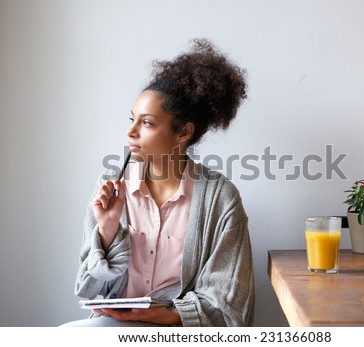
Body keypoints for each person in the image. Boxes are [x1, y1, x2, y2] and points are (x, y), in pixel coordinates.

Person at [62, 39, 254, 327]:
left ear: (183, 133)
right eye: (132, 119)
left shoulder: (221, 199)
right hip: (114, 328)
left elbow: (229, 301)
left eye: (147, 123)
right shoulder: (110, 188)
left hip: (183, 331)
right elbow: (88, 289)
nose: (131, 131)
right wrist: (107, 229)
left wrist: (171, 315)